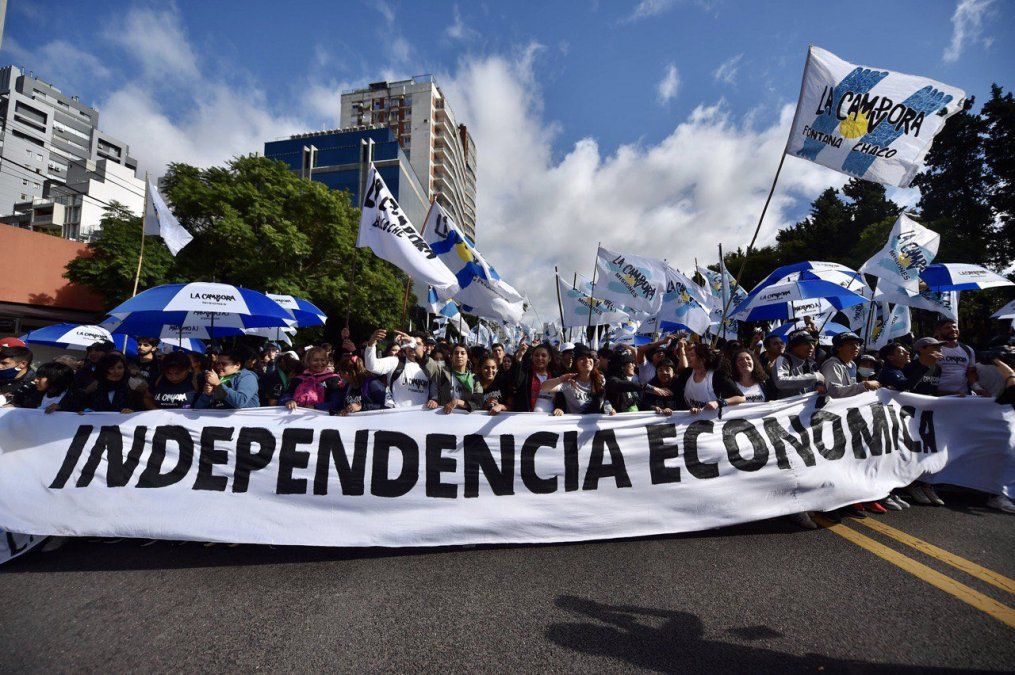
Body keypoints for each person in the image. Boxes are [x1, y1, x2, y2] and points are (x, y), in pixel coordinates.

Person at [364, 329, 434, 408]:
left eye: (417, 344)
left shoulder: (430, 367)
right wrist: (371, 344)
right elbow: (371, 366)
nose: (412, 346)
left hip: (422, 414)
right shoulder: (395, 362)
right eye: (409, 343)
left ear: (424, 348)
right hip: (397, 414)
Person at [540, 344, 614, 415]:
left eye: (589, 357)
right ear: (575, 363)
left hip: (594, 422)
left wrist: (610, 409)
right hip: (573, 423)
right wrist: (560, 379)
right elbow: (544, 388)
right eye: (582, 358)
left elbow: (603, 401)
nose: (587, 360)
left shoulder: (600, 379)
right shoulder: (569, 382)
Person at [672, 343, 745, 414]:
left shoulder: (717, 376)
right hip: (690, 419)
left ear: (702, 359)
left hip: (712, 419)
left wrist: (718, 403)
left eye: (692, 355)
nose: (688, 357)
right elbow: (674, 391)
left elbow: (741, 398)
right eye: (688, 355)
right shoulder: (687, 373)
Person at [76, 352, 145, 413]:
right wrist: (85, 411)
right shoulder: (94, 388)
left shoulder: (131, 389)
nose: (116, 372)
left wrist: (132, 411)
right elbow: (81, 405)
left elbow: (140, 410)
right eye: (111, 368)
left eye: (120, 368)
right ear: (103, 370)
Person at [280, 347, 343, 411]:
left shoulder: (333, 379)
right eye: (315, 360)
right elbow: (286, 395)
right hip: (297, 414)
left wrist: (315, 407)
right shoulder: (298, 379)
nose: (319, 363)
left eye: (323, 360)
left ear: (327, 361)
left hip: (321, 415)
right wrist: (288, 400)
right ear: (308, 362)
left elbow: (337, 403)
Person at [195, 348, 260, 409]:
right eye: (218, 364)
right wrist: (206, 395)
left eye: (223, 364)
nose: (219, 367)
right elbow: (198, 408)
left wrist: (218, 384)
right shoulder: (218, 378)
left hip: (244, 417)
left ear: (237, 365)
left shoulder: (247, 377)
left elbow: (240, 402)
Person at [820, 332, 880, 398]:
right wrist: (865, 385)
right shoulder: (832, 365)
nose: (856, 347)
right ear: (839, 347)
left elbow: (851, 387)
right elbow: (834, 393)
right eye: (851, 344)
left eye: (857, 344)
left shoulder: (852, 364)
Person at [426, 343, 480, 414]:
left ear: (468, 357)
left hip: (465, 418)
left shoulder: (474, 378)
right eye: (456, 353)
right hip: (443, 416)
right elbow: (427, 364)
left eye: (463, 353)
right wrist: (434, 400)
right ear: (451, 357)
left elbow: (478, 402)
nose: (459, 356)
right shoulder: (443, 373)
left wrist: (458, 402)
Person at [506, 342, 560, 413]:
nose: (540, 358)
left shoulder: (555, 376)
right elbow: (514, 382)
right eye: (536, 355)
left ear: (549, 358)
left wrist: (560, 408)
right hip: (528, 417)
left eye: (543, 355)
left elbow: (561, 397)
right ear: (532, 357)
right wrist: (519, 358)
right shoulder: (526, 374)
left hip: (551, 418)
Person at [771, 331, 825, 399]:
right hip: (789, 404)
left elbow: (819, 381)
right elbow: (780, 381)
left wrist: (819, 384)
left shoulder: (811, 362)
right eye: (806, 343)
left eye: (812, 343)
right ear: (794, 346)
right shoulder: (783, 359)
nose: (811, 347)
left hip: (810, 404)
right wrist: (813, 378)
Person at [934, 319, 976, 395]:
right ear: (938, 331)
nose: (953, 329)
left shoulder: (968, 350)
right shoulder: (930, 349)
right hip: (937, 397)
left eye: (954, 327)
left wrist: (977, 388)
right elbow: (923, 375)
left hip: (963, 396)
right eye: (947, 328)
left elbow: (970, 373)